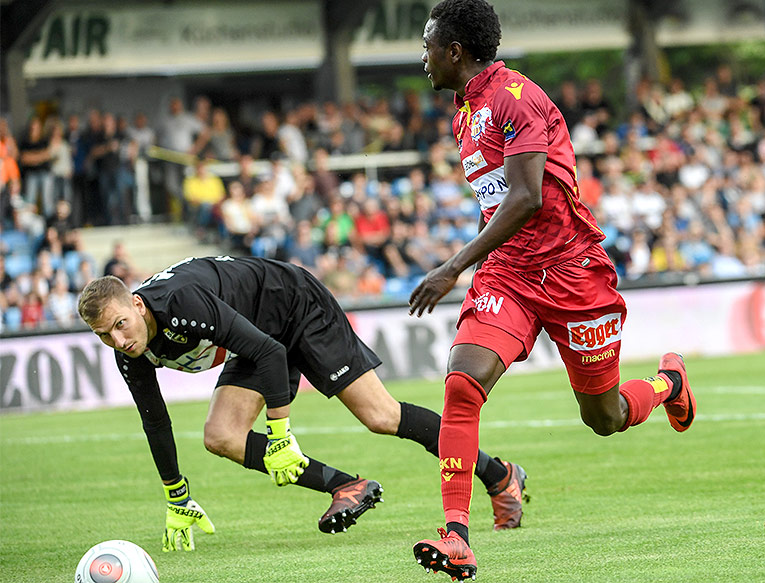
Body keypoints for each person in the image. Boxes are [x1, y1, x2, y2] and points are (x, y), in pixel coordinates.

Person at [410, 1, 697, 580]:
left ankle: (668, 384)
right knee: (462, 383)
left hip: (572, 271)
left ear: (455, 50)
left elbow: (526, 197)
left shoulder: (514, 99)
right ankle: (456, 534)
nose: (423, 58)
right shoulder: (466, 112)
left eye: (428, 46)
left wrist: (452, 267)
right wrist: (477, 265)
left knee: (606, 417)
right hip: (510, 273)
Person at [77, 255, 527, 553]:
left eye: (121, 324)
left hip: (296, 305)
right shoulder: (129, 350)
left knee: (381, 416)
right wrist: (176, 493)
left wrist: (280, 434)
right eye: (105, 336)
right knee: (220, 437)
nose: (120, 339)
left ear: (136, 305)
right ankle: (346, 486)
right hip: (256, 336)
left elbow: (272, 352)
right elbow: (154, 420)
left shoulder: (180, 304)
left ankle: (499, 475)